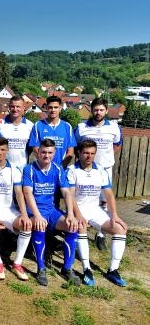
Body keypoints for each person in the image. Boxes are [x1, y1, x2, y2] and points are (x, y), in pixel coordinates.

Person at [67, 140, 128, 287]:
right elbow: (70, 195)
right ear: (79, 153)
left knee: (120, 229)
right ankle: (87, 269)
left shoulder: (101, 170)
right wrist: (79, 215)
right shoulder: (71, 170)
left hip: (95, 210)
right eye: (86, 153)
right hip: (78, 210)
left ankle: (113, 270)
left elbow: (108, 194)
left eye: (92, 153)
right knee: (81, 226)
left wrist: (114, 215)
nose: (89, 156)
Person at [22, 139, 80, 286]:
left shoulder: (58, 169)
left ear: (54, 154)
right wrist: (37, 215)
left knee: (72, 226)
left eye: (49, 152)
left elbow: (67, 193)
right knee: (39, 225)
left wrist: (71, 215)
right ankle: (41, 268)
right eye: (43, 152)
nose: (46, 155)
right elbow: (27, 194)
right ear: (38, 153)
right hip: (34, 210)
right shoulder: (29, 169)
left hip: (51, 210)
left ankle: (67, 268)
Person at [0, 137, 32, 281]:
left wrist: (24, 214)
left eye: (3, 150)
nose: (0, 153)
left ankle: (17, 263)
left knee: (26, 226)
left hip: (9, 209)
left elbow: (19, 193)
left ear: (7, 150)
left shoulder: (14, 169)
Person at [74, 97, 122, 250]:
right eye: (95, 109)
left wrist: (106, 158)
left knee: (105, 201)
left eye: (101, 110)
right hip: (85, 169)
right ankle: (77, 230)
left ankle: (101, 234)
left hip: (105, 168)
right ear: (91, 110)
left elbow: (117, 144)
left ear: (106, 111)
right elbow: (75, 146)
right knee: (81, 198)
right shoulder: (82, 127)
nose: (98, 112)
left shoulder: (114, 127)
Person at [29, 96, 76, 166]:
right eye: (50, 107)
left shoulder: (67, 126)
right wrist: (46, 166)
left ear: (60, 108)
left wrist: (61, 167)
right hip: (43, 167)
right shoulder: (37, 125)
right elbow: (35, 149)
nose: (53, 110)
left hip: (61, 168)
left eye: (56, 107)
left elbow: (70, 151)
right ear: (46, 108)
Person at [0, 95, 34, 170]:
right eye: (12, 106)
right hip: (3, 168)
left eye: (18, 106)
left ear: (23, 108)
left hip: (22, 168)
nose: (15, 109)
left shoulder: (30, 126)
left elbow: (31, 149)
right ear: (9, 107)